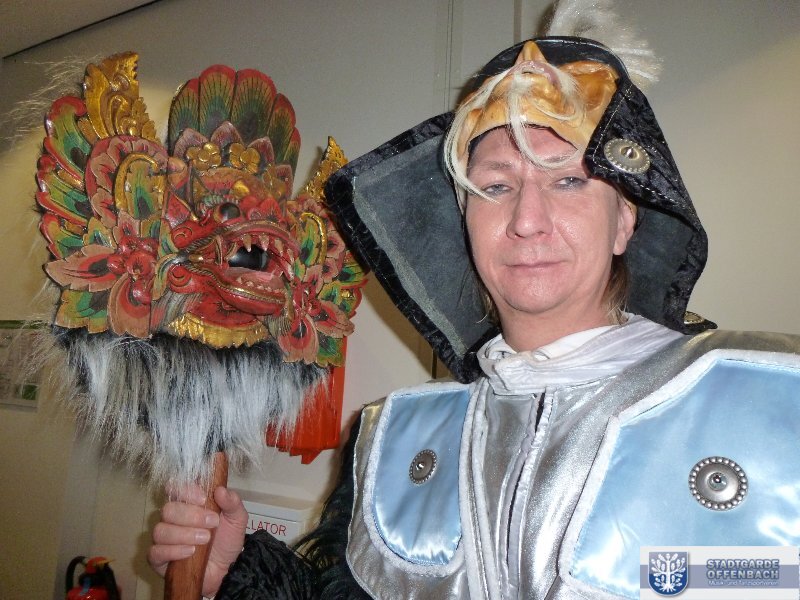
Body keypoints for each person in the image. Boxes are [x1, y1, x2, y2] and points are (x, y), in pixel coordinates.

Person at [149, 3, 800, 599]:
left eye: (568, 180)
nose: (527, 219)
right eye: (495, 186)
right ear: (465, 219)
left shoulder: (767, 402)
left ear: (625, 219)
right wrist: (229, 573)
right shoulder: (395, 439)